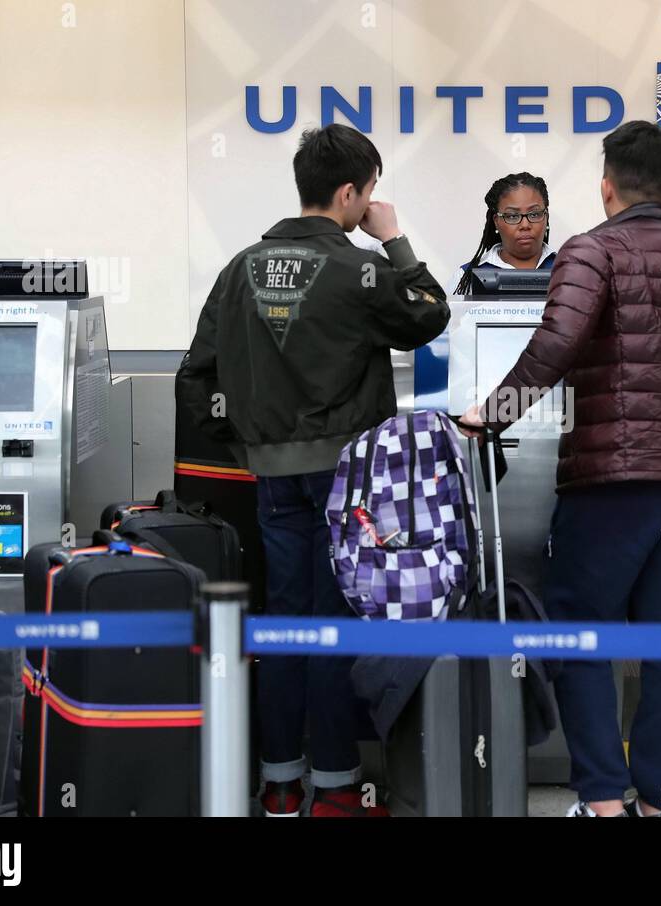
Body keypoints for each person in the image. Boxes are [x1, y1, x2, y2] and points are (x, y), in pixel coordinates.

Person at [460, 121, 661, 817]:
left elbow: (557, 345)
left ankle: (603, 801)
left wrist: (490, 414)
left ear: (606, 186)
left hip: (613, 477)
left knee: (582, 626)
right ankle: (660, 802)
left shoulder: (592, 250)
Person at [177, 123, 449, 817]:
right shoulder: (361, 270)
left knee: (283, 620)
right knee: (334, 623)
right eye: (370, 195)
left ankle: (278, 782)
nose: (370, 206)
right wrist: (394, 239)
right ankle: (333, 786)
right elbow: (430, 315)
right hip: (348, 481)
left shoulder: (240, 266)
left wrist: (246, 443)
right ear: (350, 191)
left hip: (271, 479)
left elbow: (195, 375)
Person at [453, 172, 557, 294]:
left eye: (534, 214)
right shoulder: (465, 277)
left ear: (546, 218)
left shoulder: (571, 271)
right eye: (512, 216)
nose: (525, 225)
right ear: (496, 221)